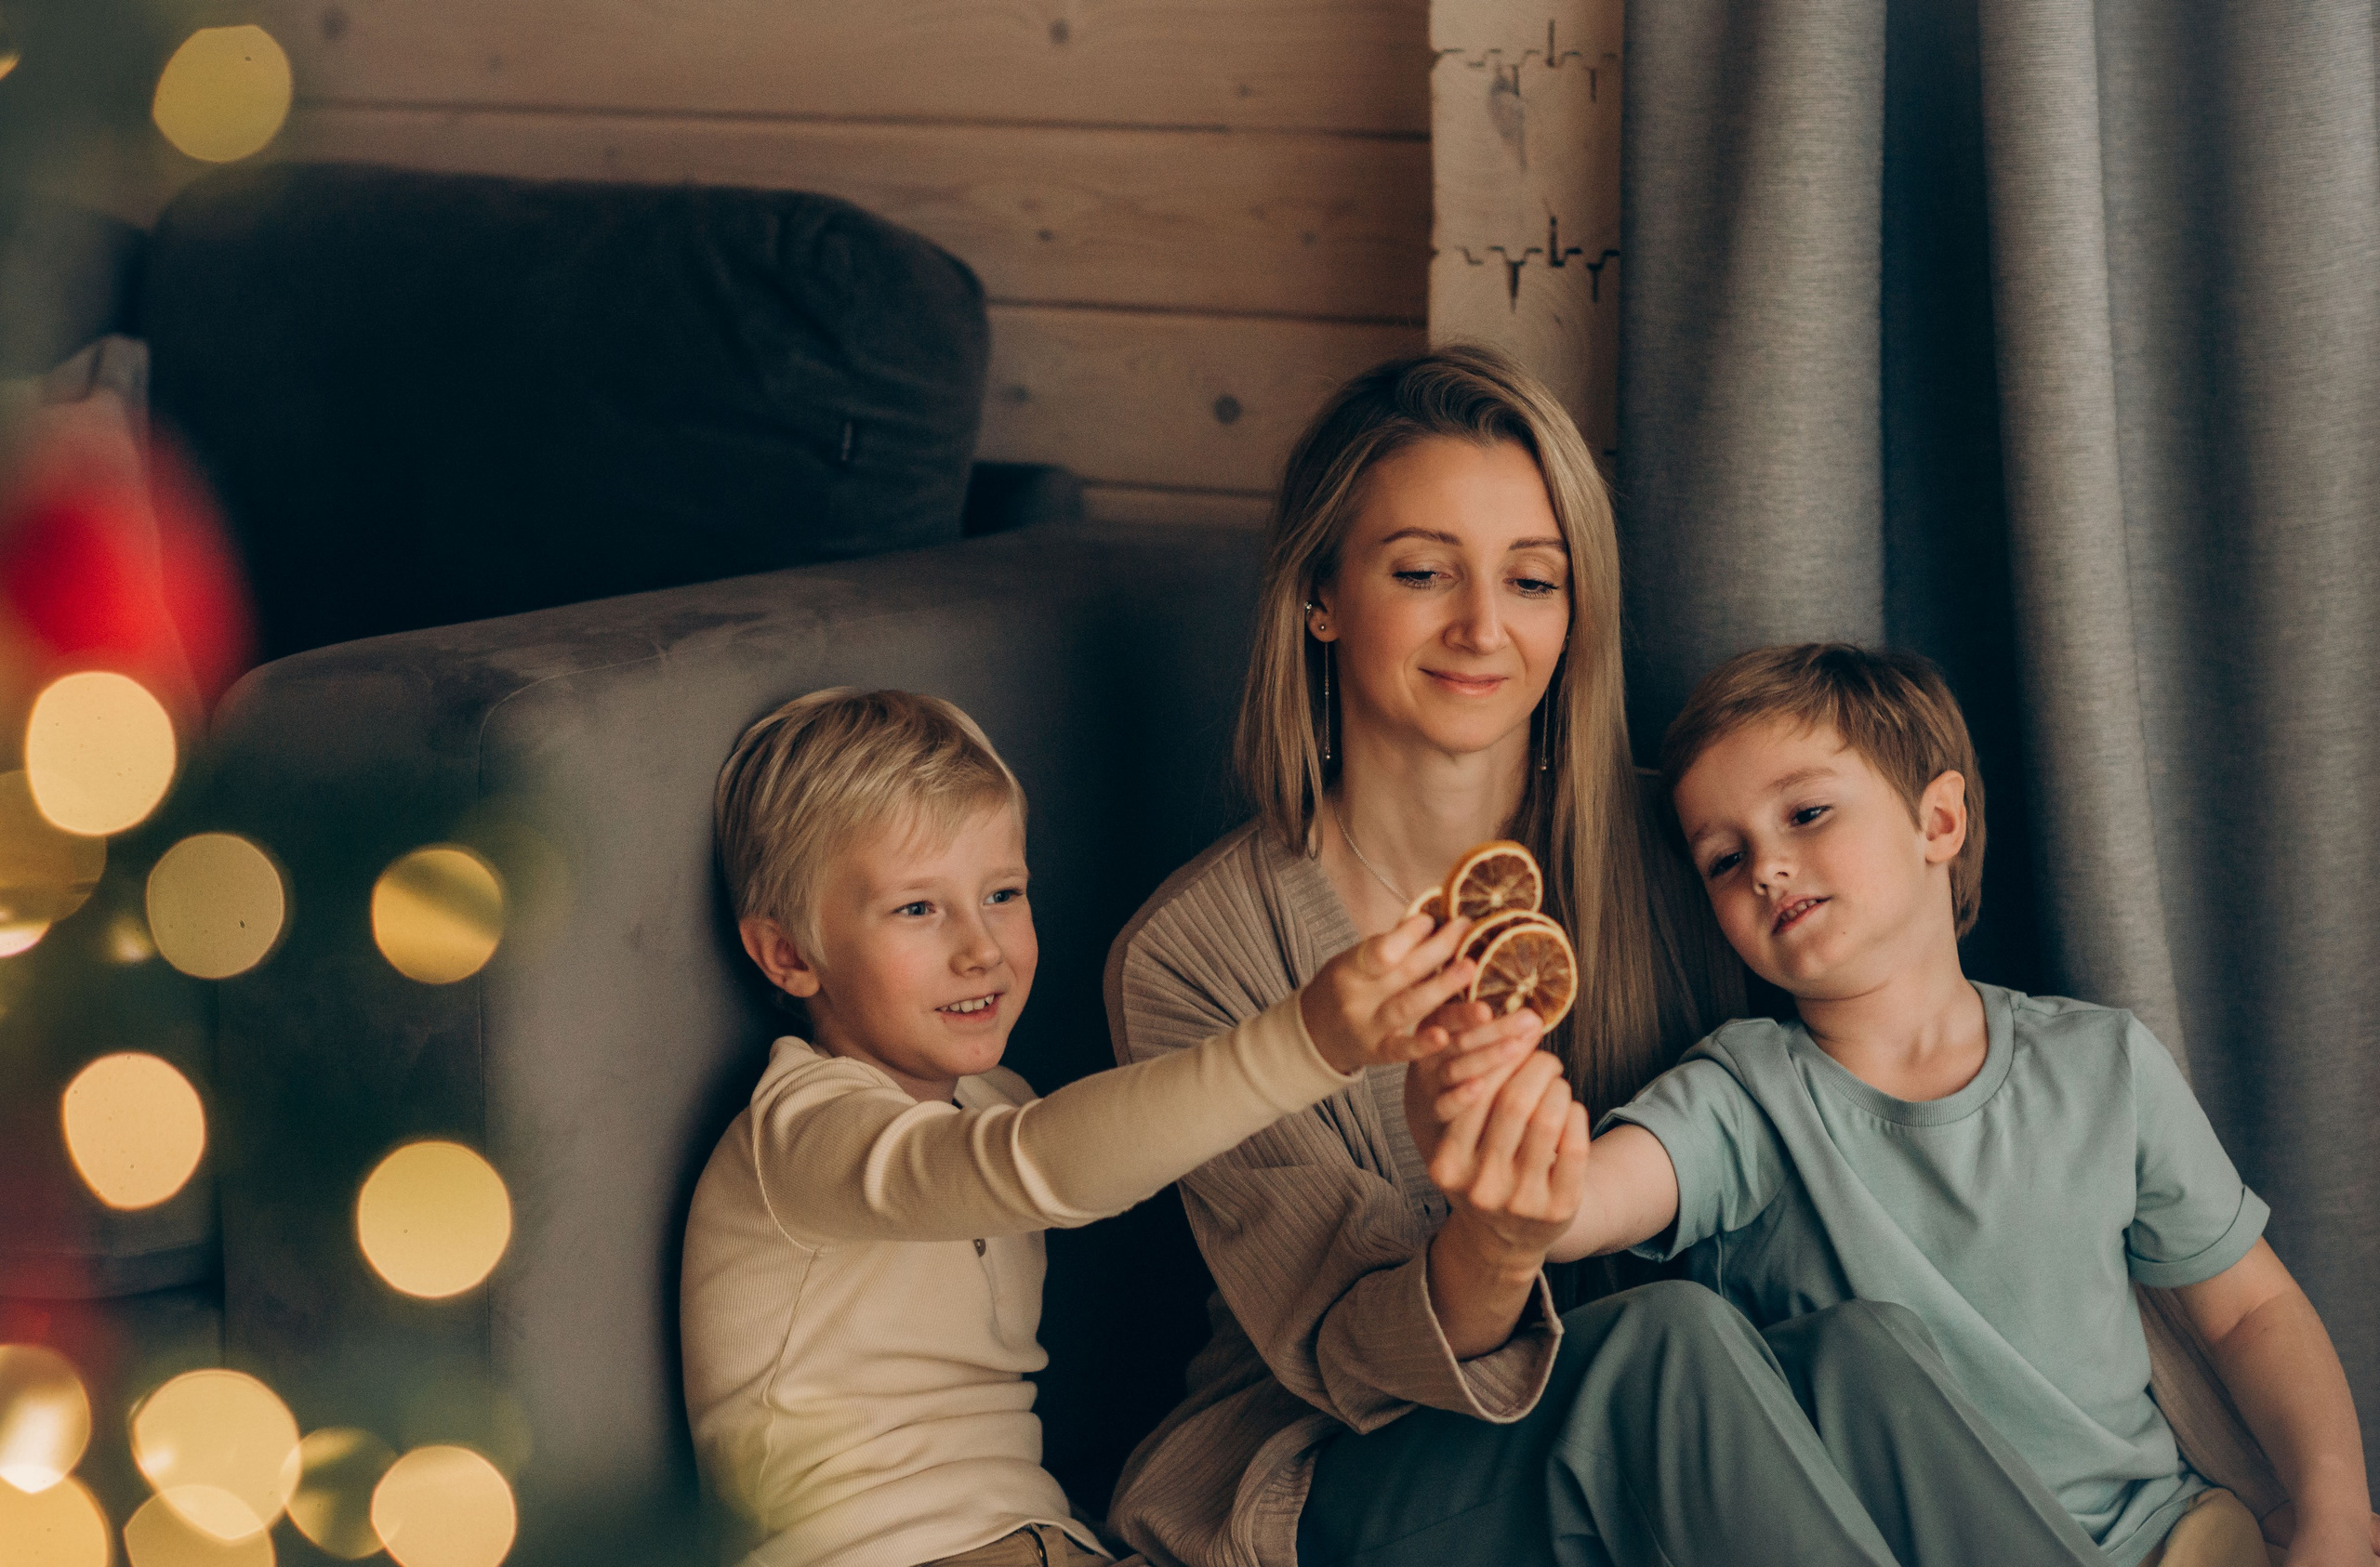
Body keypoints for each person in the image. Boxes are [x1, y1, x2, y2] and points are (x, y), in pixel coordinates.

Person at [1106, 345, 2135, 1567]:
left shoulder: (1697, 852)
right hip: (1335, 1467)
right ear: (1321, 595)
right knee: (1670, 1343)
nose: (1484, 627)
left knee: (1866, 1343)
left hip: (1689, 1419)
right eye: (1424, 571)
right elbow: (1352, 1361)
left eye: (1532, 580)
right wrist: (1494, 1237)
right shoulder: (1194, 953)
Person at [1418, 642, 2374, 1567]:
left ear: (1939, 823)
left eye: (1806, 812)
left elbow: (2250, 1311)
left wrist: (2333, 1509)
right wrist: (1503, 1157)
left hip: (2172, 1539)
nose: (1765, 866)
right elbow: (1592, 1196)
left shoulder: (2102, 1065)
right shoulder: (1745, 1093)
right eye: (1722, 858)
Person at [678, 687, 1514, 1567]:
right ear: (789, 954)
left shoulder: (995, 1099)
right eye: (917, 908)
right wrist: (1306, 1041)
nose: (981, 948)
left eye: (1003, 893)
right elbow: (1035, 1165)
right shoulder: (799, 1133)